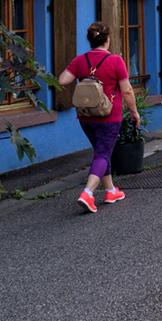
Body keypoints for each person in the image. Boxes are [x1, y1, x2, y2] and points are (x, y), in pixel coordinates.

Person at [58, 21, 140, 213]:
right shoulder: (115, 61)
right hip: (109, 116)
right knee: (103, 153)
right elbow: (127, 91)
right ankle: (88, 192)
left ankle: (111, 190)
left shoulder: (80, 60)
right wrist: (134, 111)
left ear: (90, 40)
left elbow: (62, 80)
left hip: (86, 117)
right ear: (108, 39)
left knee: (101, 151)